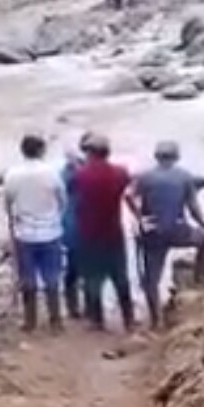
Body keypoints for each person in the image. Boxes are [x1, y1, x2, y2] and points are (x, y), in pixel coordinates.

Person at [131, 140, 204, 329]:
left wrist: (139, 219)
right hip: (178, 232)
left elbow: (130, 197)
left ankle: (155, 321)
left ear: (156, 157)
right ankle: (199, 282)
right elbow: (193, 207)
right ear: (176, 157)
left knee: (151, 278)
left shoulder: (145, 177)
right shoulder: (184, 176)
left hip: (153, 233)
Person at [70, 132, 137, 332]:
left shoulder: (79, 175)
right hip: (114, 231)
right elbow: (129, 193)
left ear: (89, 152)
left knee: (92, 278)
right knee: (121, 277)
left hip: (88, 233)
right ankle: (128, 319)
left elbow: (72, 196)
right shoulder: (121, 172)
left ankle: (96, 320)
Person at [2, 134, 67, 332]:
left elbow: (7, 204)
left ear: (22, 151)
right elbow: (63, 200)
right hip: (51, 232)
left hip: (25, 234)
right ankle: (55, 321)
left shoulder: (12, 174)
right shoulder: (52, 173)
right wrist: (54, 216)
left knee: (27, 278)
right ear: (42, 151)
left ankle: (30, 322)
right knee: (52, 277)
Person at [60, 143, 87, 319]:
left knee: (77, 268)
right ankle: (75, 307)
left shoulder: (70, 173)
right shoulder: (69, 173)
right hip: (76, 225)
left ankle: (80, 306)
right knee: (75, 268)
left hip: (77, 225)